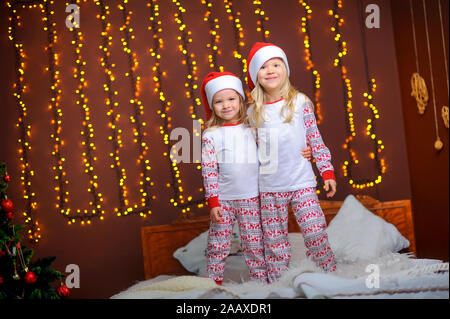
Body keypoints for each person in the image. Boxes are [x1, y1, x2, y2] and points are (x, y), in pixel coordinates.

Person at [246, 42, 337, 283]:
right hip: (268, 188)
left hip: (301, 182)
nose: (271, 70)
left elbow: (315, 138)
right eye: (263, 67)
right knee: (275, 243)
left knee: (316, 231)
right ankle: (278, 286)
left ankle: (329, 278)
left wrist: (326, 171)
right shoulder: (252, 112)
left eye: (276, 64)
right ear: (256, 75)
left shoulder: (300, 102)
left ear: (285, 69)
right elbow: (249, 152)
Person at [200, 71, 267, 285]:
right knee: (218, 246)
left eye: (231, 99)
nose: (226, 105)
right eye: (219, 101)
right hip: (224, 200)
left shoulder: (253, 128)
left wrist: (304, 151)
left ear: (240, 100)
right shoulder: (211, 135)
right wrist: (213, 202)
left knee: (254, 245)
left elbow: (273, 150)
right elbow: (209, 171)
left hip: (252, 198)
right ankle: (213, 284)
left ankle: (261, 284)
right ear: (212, 105)